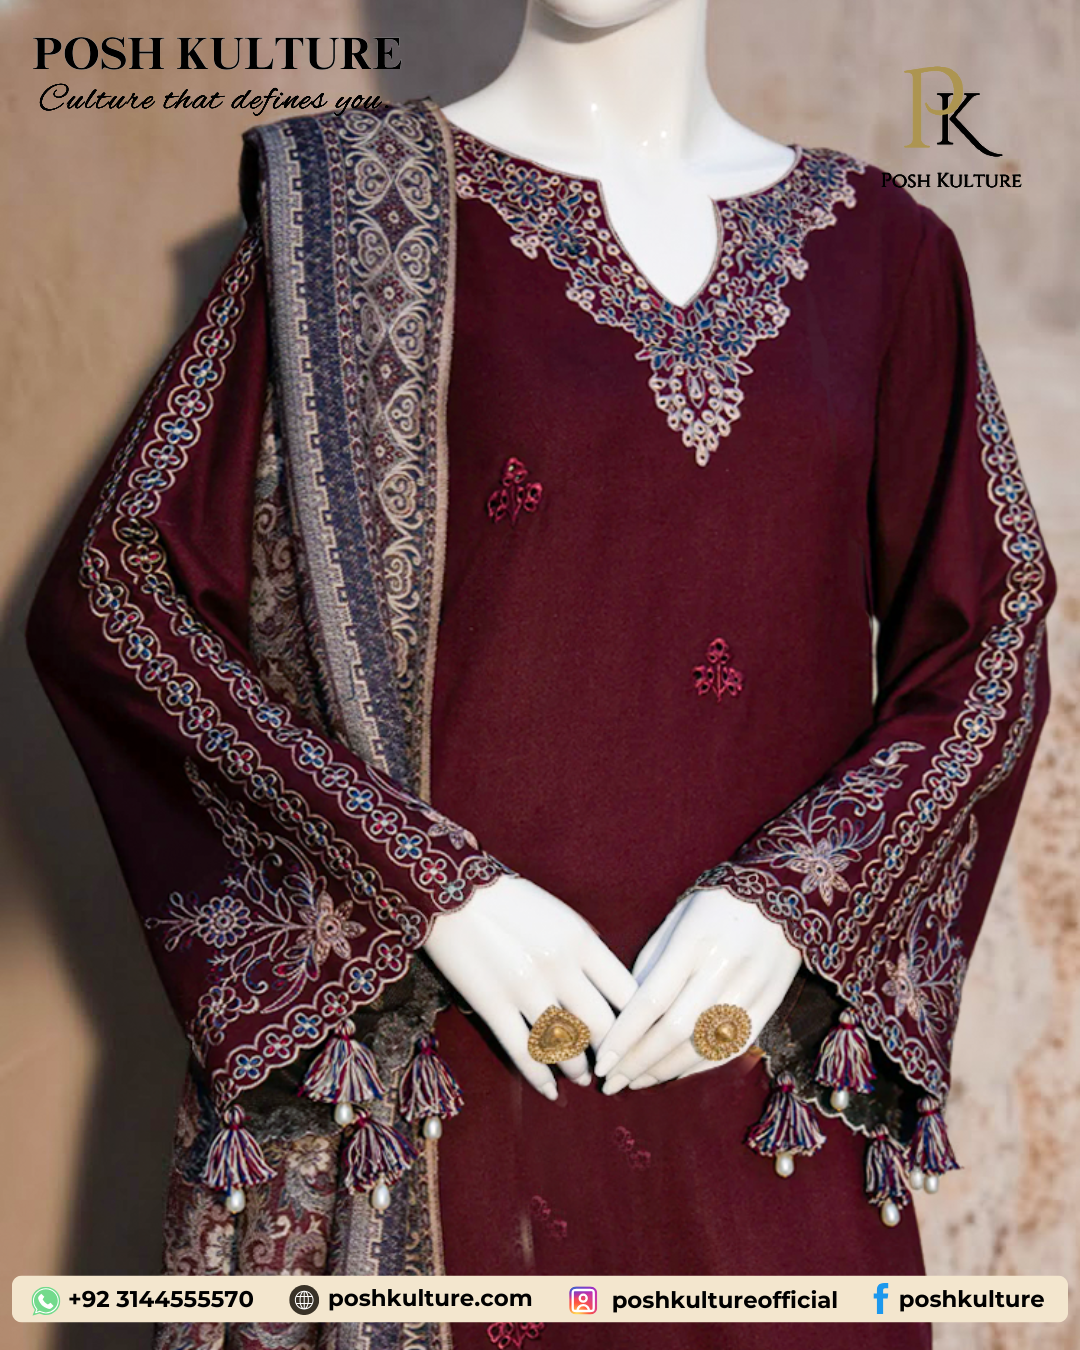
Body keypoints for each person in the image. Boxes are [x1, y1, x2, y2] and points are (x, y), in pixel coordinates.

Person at [25, 3, 1055, 1348]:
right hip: (457, 1083)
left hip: (756, 1085)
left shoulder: (886, 253)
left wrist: (799, 902)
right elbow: (122, 594)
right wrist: (425, 888)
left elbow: (994, 626)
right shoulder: (350, 217)